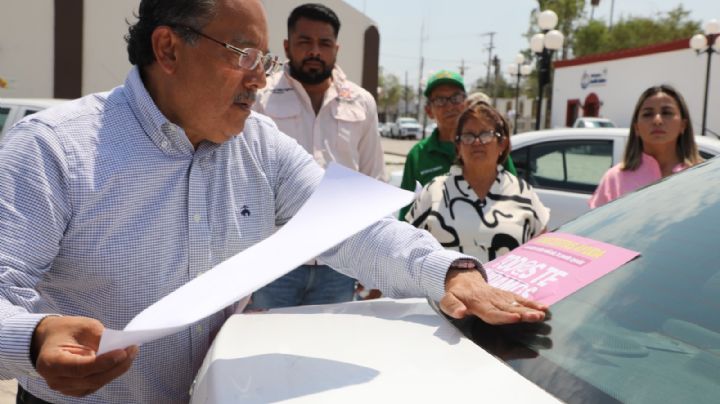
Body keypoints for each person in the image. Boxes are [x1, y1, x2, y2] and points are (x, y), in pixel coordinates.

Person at [0, 0, 546, 402]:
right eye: (243, 54)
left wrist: (450, 274)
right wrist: (35, 337)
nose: (260, 79)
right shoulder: (53, 150)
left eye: (265, 59)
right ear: (168, 48)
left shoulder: (258, 147)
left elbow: (353, 229)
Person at [250, 3, 385, 309]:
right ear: (287, 46)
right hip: (274, 262)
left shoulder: (361, 102)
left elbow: (373, 181)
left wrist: (375, 260)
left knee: (326, 349)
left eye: (324, 43)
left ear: (336, 48)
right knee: (268, 350)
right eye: (304, 42)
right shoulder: (260, 98)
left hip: (339, 263)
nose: (315, 51)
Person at [406, 102, 549, 262]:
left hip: (504, 287)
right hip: (445, 287)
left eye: (486, 135)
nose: (476, 142)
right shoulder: (434, 191)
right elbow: (404, 249)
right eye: (468, 136)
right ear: (458, 146)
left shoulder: (523, 192)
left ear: (502, 143)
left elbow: (543, 256)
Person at [398, 71, 516, 220]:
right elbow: (407, 217)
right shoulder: (418, 155)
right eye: (440, 100)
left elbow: (515, 198)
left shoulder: (488, 146)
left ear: (466, 104)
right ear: (429, 111)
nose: (450, 106)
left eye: (456, 98)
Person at [589, 85, 703, 208]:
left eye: (667, 113)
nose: (657, 120)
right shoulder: (614, 180)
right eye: (648, 114)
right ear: (636, 127)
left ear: (683, 125)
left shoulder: (702, 177)